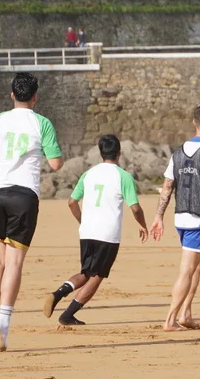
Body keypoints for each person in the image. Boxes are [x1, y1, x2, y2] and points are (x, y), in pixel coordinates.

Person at [0, 72, 63, 351]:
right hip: (24, 196)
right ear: (35, 97)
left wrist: (0, 166)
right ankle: (4, 322)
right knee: (14, 263)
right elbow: (56, 163)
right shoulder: (42, 123)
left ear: (12, 95)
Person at [43, 134, 148, 325]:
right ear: (119, 152)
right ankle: (68, 314)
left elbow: (71, 202)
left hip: (87, 231)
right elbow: (135, 208)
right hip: (107, 234)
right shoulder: (123, 176)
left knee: (85, 273)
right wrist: (142, 224)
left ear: (100, 153)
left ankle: (58, 293)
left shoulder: (88, 174)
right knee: (97, 276)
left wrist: (83, 221)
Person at [150, 104, 200, 332]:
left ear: (194, 122)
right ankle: (170, 319)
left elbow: (167, 187)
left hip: (181, 216)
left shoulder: (178, 152)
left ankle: (186, 313)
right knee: (187, 269)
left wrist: (158, 216)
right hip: (199, 217)